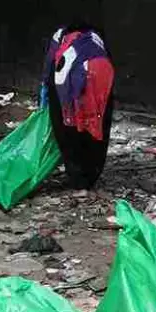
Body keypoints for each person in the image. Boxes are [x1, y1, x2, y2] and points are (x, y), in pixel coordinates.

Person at [41, 24, 115, 190]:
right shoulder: (96, 40)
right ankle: (91, 174)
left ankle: (78, 177)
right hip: (99, 76)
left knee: (67, 127)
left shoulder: (59, 39)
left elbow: (50, 73)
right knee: (96, 124)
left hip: (74, 79)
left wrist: (45, 90)